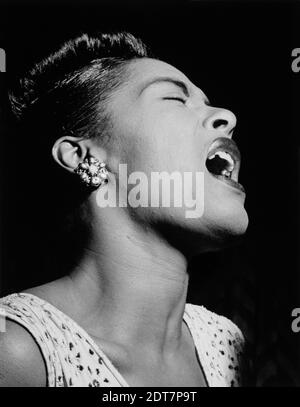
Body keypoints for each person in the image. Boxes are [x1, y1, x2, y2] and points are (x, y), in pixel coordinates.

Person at [0, 31, 248, 387]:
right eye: (176, 99)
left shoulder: (228, 344)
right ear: (84, 157)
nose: (227, 115)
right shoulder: (16, 350)